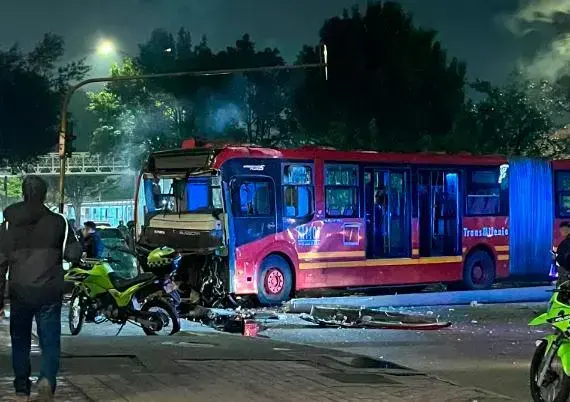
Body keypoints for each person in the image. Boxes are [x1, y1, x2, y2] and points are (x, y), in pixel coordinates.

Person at [0, 175, 81, 401]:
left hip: (20, 291)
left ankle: (21, 390)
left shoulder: (7, 225)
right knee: (49, 341)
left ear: (23, 193)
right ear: (44, 194)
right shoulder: (59, 222)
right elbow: (73, 253)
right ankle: (46, 379)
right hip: (49, 291)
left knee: (20, 341)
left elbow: (0, 264)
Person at [556, 221, 570, 286]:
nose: (560, 232)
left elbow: (563, 259)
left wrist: (556, 257)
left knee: (562, 291)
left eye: (561, 230)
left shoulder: (566, 243)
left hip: (566, 274)